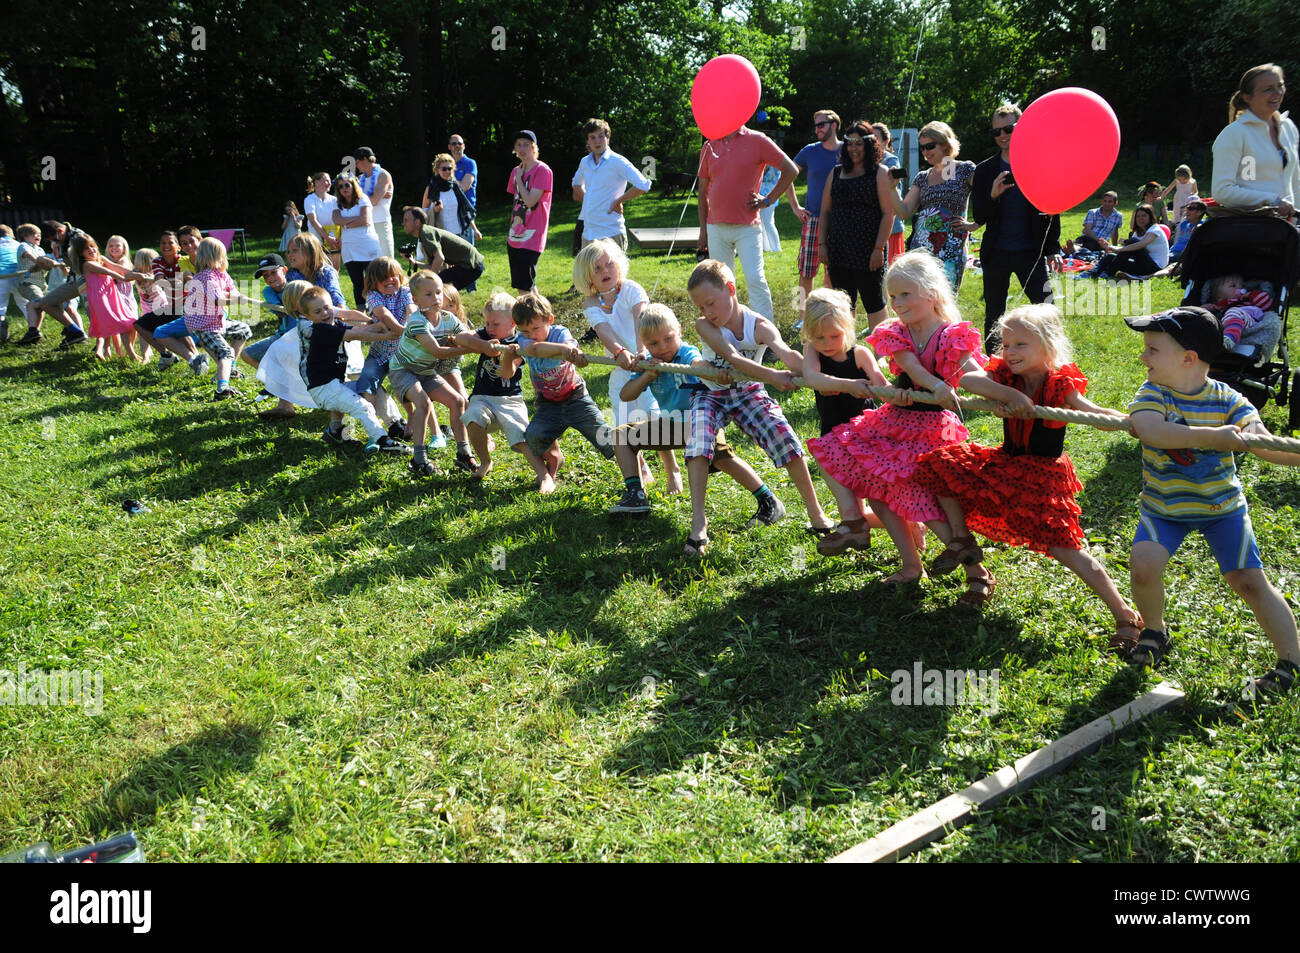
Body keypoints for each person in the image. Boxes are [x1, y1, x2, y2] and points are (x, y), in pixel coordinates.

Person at [915, 303, 1143, 647]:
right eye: (1006, 345)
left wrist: (1128, 423)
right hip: (1007, 462)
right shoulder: (1007, 376)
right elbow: (970, 378)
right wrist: (1007, 394)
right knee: (940, 464)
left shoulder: (1059, 383)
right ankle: (962, 541)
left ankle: (1125, 614)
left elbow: (1092, 412)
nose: (1010, 352)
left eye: (1020, 344)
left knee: (1065, 547)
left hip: (1042, 474)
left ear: (1047, 344)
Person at [1123, 305, 1300, 698]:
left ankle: (1291, 660)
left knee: (1249, 582)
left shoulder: (1229, 400)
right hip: (1164, 508)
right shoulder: (1152, 394)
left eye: (1152, 349)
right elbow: (1153, 432)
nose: (1142, 356)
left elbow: (1265, 443)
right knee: (1144, 566)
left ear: (1188, 359)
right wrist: (1214, 437)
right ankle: (1154, 631)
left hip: (1222, 509)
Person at [806, 251, 994, 597]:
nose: (897, 303)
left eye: (905, 294)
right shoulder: (897, 332)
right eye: (892, 296)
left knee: (925, 499)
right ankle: (910, 564)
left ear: (931, 293)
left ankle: (976, 572)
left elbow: (971, 371)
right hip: (896, 421)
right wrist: (895, 394)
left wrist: (998, 393)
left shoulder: (952, 334)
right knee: (876, 488)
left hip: (933, 427)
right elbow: (907, 371)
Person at [684, 259, 836, 557]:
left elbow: (787, 355)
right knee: (699, 442)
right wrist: (774, 377)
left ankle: (816, 514)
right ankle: (698, 522)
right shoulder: (704, 325)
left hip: (747, 392)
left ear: (731, 290)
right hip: (710, 392)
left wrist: (817, 376)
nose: (707, 312)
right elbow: (733, 357)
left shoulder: (760, 325)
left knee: (785, 438)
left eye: (711, 303)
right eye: (701, 307)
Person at [616, 303, 775, 521]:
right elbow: (626, 395)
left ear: (679, 331)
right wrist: (647, 376)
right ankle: (635, 494)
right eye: (653, 343)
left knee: (721, 458)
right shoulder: (649, 365)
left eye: (668, 338)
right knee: (622, 435)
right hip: (672, 426)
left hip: (703, 420)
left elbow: (698, 363)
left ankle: (767, 498)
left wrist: (713, 372)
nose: (662, 347)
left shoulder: (685, 352)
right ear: (644, 343)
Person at [574, 239, 682, 496]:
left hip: (646, 365)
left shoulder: (631, 289)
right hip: (621, 369)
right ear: (587, 277)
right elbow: (603, 330)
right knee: (624, 424)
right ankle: (640, 471)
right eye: (597, 269)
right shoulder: (591, 302)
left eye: (609, 264)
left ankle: (672, 469)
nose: (605, 271)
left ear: (619, 265)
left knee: (654, 417)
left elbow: (640, 318)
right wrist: (620, 352)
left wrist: (641, 350)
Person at [798, 288, 895, 556]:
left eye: (835, 336)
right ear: (809, 334)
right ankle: (853, 523)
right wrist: (849, 385)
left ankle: (903, 525)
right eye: (819, 337)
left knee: (871, 499)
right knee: (830, 467)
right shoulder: (813, 352)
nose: (827, 343)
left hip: (864, 435)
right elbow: (812, 379)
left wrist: (898, 397)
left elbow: (882, 385)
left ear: (848, 328)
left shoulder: (860, 354)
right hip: (832, 436)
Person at [970, 103, 1062, 341]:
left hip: (1030, 251)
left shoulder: (1039, 164)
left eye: (1008, 129)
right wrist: (992, 196)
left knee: (1047, 308)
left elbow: (1053, 209)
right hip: (996, 253)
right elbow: (980, 216)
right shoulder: (985, 170)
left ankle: (1054, 361)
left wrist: (1053, 248)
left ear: (1021, 127)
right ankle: (993, 366)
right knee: (994, 314)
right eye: (996, 132)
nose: (1002, 135)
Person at [505, 291, 616, 486]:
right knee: (533, 436)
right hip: (548, 405)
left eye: (536, 328)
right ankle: (554, 457)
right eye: (525, 331)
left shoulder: (561, 333)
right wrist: (563, 351)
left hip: (576, 398)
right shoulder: (524, 341)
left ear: (550, 320)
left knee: (606, 438)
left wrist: (575, 356)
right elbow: (534, 349)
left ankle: (638, 467)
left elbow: (575, 356)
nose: (531, 335)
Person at [453, 292, 557, 490]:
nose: (490, 328)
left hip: (510, 400)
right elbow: (461, 337)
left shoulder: (522, 343)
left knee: (520, 437)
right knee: (472, 418)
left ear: (512, 323)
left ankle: (543, 475)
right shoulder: (486, 335)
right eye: (488, 323)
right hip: (482, 398)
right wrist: (483, 345)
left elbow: (508, 372)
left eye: (495, 324)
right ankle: (485, 461)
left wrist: (507, 355)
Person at [696, 122, 799, 322]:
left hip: (748, 226)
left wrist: (767, 199)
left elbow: (790, 169)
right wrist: (703, 231)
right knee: (721, 283)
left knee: (755, 279)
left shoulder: (758, 140)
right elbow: (702, 192)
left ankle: (765, 337)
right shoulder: (710, 145)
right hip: (715, 227)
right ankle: (728, 332)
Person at [296, 286, 409, 455]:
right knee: (363, 407)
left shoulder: (335, 323)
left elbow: (360, 329)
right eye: (318, 312)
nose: (325, 313)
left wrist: (378, 325)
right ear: (308, 317)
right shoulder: (321, 330)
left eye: (327, 308)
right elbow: (357, 336)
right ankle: (383, 442)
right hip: (324, 389)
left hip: (335, 385)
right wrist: (386, 336)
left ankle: (396, 424)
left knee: (371, 387)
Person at [388, 270, 475, 477]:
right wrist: (470, 348)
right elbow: (437, 351)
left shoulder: (448, 318)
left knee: (458, 401)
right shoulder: (417, 322)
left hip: (426, 371)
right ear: (416, 300)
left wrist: (488, 341)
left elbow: (467, 335)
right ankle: (419, 458)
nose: (436, 297)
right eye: (428, 294)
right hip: (403, 370)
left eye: (438, 292)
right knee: (424, 403)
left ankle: (464, 453)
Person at [154, 237, 263, 399]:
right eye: (222, 255)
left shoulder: (221, 274)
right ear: (215, 257)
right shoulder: (206, 277)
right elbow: (218, 300)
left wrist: (235, 294)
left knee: (243, 330)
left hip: (216, 320)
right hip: (202, 324)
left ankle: (229, 369)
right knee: (225, 352)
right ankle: (222, 389)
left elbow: (231, 289)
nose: (224, 259)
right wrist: (235, 299)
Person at [816, 120, 895, 329]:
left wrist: (879, 248)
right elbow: (824, 211)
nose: (853, 148)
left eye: (858, 143)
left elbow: (889, 213)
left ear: (869, 145)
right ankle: (847, 349)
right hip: (839, 249)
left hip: (869, 250)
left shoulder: (879, 172)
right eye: (849, 143)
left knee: (874, 302)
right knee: (843, 302)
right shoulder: (835, 173)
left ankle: (882, 354)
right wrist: (822, 245)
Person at [890, 121, 977, 290]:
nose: (925, 152)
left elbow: (987, 197)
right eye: (922, 148)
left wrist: (975, 224)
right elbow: (904, 212)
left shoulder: (964, 169)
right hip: (921, 248)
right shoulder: (922, 177)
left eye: (929, 146)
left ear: (945, 144)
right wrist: (892, 188)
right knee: (920, 298)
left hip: (951, 249)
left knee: (943, 301)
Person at [1211, 64, 1299, 219]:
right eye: (1268, 89)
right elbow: (1222, 191)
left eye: (1280, 86)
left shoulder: (1288, 127)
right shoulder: (1234, 134)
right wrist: (1272, 200)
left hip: (1288, 230)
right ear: (1247, 97)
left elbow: (1295, 181)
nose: (1277, 93)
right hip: (1252, 231)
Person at [787, 109, 842, 324]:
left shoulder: (848, 150)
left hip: (839, 220)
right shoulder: (809, 151)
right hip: (813, 220)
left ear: (834, 125)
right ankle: (801, 316)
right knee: (805, 271)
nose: (817, 129)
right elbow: (787, 174)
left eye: (821, 125)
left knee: (835, 271)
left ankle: (830, 313)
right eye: (815, 125)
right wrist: (795, 207)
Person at [571, 117, 651, 249]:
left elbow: (643, 185)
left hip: (611, 234)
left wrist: (618, 201)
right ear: (587, 141)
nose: (597, 141)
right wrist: (589, 200)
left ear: (608, 138)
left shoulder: (618, 161)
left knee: (614, 271)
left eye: (601, 136)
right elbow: (576, 184)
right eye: (592, 137)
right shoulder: (585, 162)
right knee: (588, 271)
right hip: (588, 234)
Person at [74, 234, 149, 362]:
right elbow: (108, 272)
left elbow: (117, 268)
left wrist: (135, 273)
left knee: (120, 323)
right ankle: (129, 354)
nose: (92, 250)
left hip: (111, 295)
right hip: (101, 298)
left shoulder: (101, 258)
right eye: (87, 249)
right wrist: (125, 278)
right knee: (121, 322)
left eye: (93, 247)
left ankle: (117, 352)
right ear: (81, 253)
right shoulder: (87, 264)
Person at [16, 221, 88, 348]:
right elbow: (65, 263)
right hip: (73, 281)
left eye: (54, 239)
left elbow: (88, 259)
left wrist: (45, 261)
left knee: (92, 309)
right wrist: (45, 263)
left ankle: (90, 338)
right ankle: (75, 332)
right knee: (46, 302)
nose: (54, 243)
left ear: (60, 231)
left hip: (87, 279)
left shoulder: (79, 237)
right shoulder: (61, 242)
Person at [134, 229, 199, 369]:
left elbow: (184, 283)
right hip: (172, 305)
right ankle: (166, 355)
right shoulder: (157, 261)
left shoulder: (182, 261)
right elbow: (159, 282)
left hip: (187, 304)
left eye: (170, 242)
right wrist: (176, 280)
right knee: (139, 324)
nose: (166, 245)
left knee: (174, 319)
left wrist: (170, 280)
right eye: (163, 243)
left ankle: (195, 357)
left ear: (178, 247)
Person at [506, 130, 554, 293]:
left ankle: (527, 318)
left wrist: (519, 178)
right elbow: (517, 203)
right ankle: (544, 316)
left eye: (526, 144)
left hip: (533, 235)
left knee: (523, 287)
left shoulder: (543, 170)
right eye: (518, 145)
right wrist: (518, 175)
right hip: (515, 235)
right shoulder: (515, 171)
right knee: (527, 285)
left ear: (534, 147)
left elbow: (530, 201)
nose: (522, 148)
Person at [400, 206, 485, 293]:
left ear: (417, 222)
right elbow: (432, 266)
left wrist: (431, 280)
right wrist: (413, 261)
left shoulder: (426, 233)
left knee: (439, 287)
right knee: (441, 288)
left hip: (471, 265)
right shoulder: (425, 233)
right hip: (470, 265)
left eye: (406, 220)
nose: (403, 223)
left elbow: (440, 258)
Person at [333, 173, 384, 309]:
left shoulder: (363, 198)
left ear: (353, 185)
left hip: (367, 245)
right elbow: (336, 220)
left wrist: (346, 223)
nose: (344, 188)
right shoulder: (337, 203)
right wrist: (355, 220)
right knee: (357, 282)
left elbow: (365, 220)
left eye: (347, 185)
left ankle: (377, 309)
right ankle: (361, 312)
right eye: (341, 186)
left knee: (374, 279)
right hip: (349, 247)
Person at [1088, 203, 1168, 279]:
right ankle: (1091, 273)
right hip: (1141, 265)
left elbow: (1141, 245)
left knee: (1132, 241)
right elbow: (1126, 251)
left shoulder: (1155, 229)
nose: (1141, 219)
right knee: (1110, 256)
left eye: (1144, 216)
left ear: (1150, 217)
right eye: (1138, 217)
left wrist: (1118, 249)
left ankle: (1108, 272)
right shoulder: (1137, 232)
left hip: (1154, 268)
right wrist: (1109, 246)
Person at [421, 153, 480, 248]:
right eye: (444, 169)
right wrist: (434, 211)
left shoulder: (455, 187)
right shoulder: (431, 188)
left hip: (457, 234)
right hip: (438, 233)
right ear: (437, 170)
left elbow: (465, 210)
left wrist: (475, 230)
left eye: (450, 168)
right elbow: (423, 212)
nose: (447, 171)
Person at [1205, 273, 1274, 353]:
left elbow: (1267, 305)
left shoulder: (1248, 300)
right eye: (1233, 286)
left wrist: (1252, 295)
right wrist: (1204, 309)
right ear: (1219, 296)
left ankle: (1228, 341)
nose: (1240, 288)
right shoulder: (1218, 306)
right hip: (1225, 324)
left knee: (1233, 312)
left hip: (1249, 322)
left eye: (1242, 286)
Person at [354, 147, 396, 258]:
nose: (356, 165)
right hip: (366, 223)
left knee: (387, 260)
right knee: (370, 260)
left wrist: (363, 197)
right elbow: (353, 201)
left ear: (365, 159)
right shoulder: (360, 178)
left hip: (381, 222)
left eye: (357, 162)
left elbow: (374, 201)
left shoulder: (382, 175)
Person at [873, 123, 906, 261]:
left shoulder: (890, 160)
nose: (871, 142)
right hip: (874, 225)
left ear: (886, 141)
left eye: (875, 138)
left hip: (890, 228)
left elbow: (890, 192)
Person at [303, 172, 342, 269]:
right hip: (316, 239)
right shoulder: (309, 199)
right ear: (316, 182)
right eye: (326, 180)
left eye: (329, 181)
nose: (329, 183)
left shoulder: (334, 199)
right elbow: (313, 221)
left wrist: (340, 237)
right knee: (319, 269)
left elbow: (339, 220)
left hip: (334, 239)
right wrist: (327, 237)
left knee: (335, 269)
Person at [1166, 196, 1206, 262]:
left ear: (1200, 212)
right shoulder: (1184, 224)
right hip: (1172, 251)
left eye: (1191, 208)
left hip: (1183, 255)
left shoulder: (1202, 226)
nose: (1187, 210)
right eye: (1187, 207)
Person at [448, 134, 478, 220]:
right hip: (449, 209)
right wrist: (459, 183)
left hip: (466, 210)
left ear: (463, 146)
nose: (457, 146)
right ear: (449, 147)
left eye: (459, 143)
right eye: (454, 144)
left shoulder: (470, 163)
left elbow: (464, 187)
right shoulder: (447, 165)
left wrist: (450, 183)